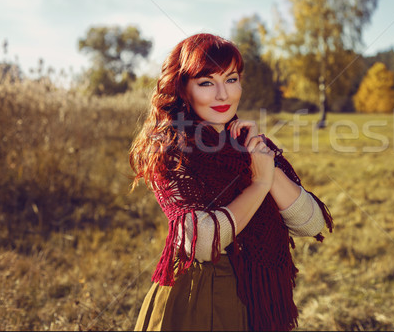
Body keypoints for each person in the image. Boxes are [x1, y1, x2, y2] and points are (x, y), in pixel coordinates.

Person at [129, 33, 333, 331]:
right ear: (183, 89)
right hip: (200, 299)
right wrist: (259, 185)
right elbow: (201, 242)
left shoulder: (248, 143)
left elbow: (311, 224)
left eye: (231, 79)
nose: (223, 95)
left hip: (256, 299)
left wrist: (263, 163)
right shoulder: (171, 150)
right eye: (207, 83)